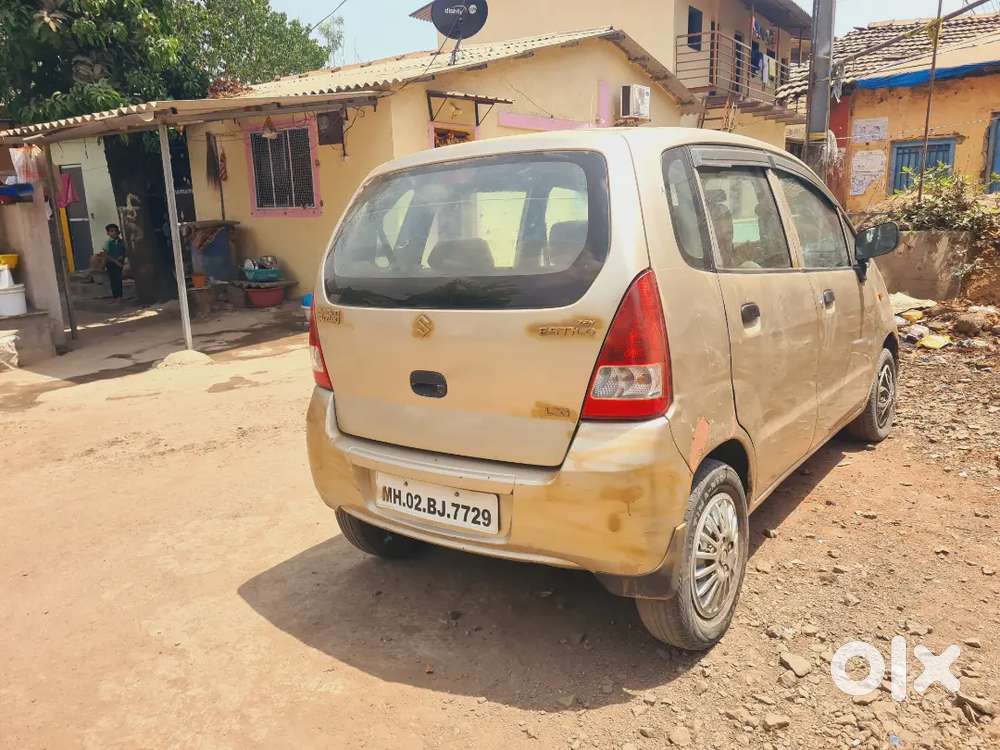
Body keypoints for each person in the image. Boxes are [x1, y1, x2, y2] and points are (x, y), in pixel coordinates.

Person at [103, 223, 126, 300]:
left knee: (118, 280)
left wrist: (122, 258)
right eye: (111, 231)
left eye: (114, 231)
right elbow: (106, 255)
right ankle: (115, 297)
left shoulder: (121, 242)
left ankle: (120, 297)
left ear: (118, 232)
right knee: (113, 280)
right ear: (107, 233)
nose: (113, 233)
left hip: (119, 264)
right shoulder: (107, 243)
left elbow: (124, 251)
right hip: (111, 264)